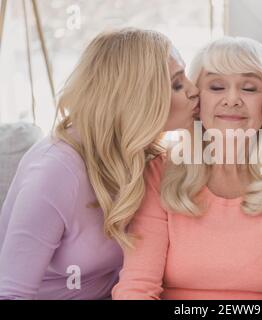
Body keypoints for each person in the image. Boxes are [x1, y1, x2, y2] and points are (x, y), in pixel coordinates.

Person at [112, 36, 262, 300]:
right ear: (196, 99)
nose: (232, 99)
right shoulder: (158, 172)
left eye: (249, 88)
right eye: (216, 87)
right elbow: (137, 285)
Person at [0, 28, 199, 299]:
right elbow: (11, 292)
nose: (193, 90)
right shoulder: (55, 171)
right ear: (136, 99)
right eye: (176, 84)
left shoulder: (144, 156)